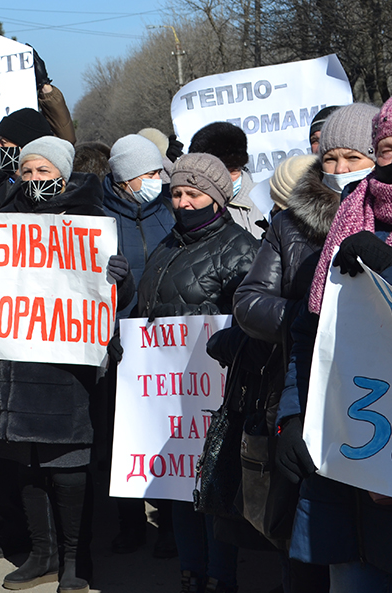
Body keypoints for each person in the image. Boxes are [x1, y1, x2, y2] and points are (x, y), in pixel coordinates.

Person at [0, 136, 132, 592]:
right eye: (26, 172)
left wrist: (118, 280)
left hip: (68, 368)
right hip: (14, 363)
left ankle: (74, 558)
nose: (33, 180)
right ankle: (41, 553)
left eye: (43, 172)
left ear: (63, 175)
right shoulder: (2, 221)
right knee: (25, 461)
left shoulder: (92, 222)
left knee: (66, 464)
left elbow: (119, 302)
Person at [275, 99, 392, 592]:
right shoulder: (351, 216)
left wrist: (385, 269)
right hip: (351, 455)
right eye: (387, 148)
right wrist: (296, 414)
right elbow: (310, 334)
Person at [136, 153, 260, 593]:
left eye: (195, 193)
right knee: (177, 484)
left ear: (218, 197)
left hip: (215, 388)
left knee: (211, 487)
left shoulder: (241, 247)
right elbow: (148, 309)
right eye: (177, 193)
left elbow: (250, 319)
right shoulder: (167, 245)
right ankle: (191, 572)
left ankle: (220, 578)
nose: (184, 202)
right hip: (168, 392)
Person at [101, 134, 177, 558]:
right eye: (149, 174)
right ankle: (129, 524)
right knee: (122, 440)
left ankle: (168, 524)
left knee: (164, 438)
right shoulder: (98, 218)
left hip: (162, 344)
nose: (157, 180)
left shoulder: (169, 210)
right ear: (127, 178)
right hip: (118, 345)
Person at [188, 122, 267, 238]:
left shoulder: (267, 200)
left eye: (233, 171)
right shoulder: (191, 206)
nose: (226, 180)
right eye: (218, 173)